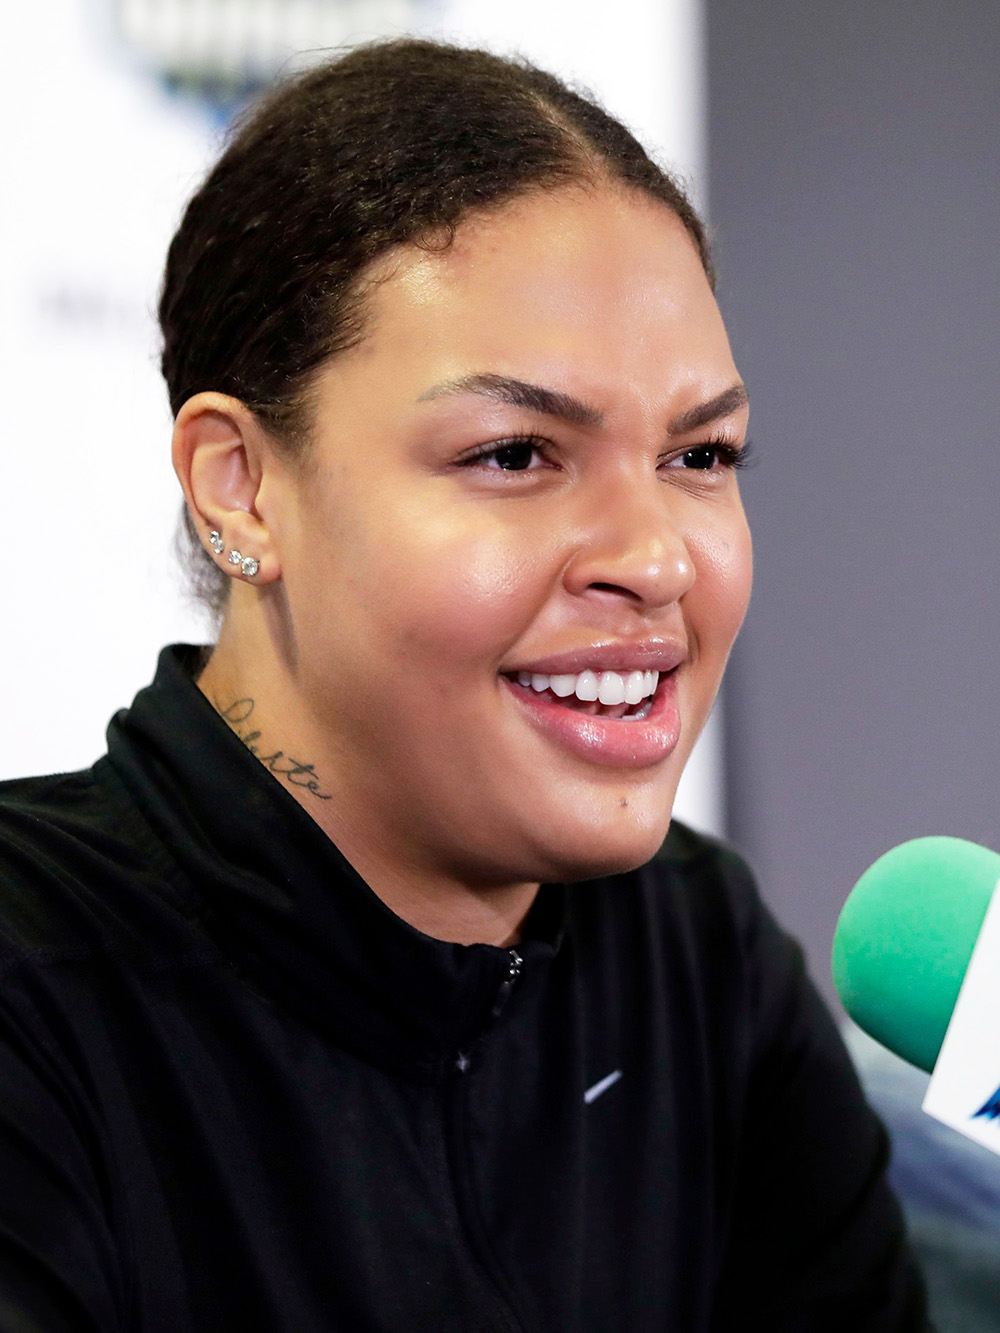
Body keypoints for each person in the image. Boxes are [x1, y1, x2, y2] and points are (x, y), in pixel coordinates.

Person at [0, 38, 929, 1332]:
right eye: (514, 452)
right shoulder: (35, 984)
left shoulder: (696, 959)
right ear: (241, 485)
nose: (655, 554)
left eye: (702, 453)